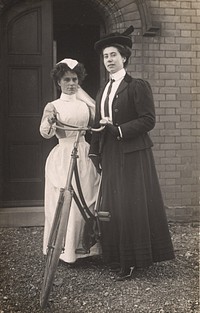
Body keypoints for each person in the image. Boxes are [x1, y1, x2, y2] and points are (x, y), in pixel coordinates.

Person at [89, 26, 175, 280]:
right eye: (106, 56)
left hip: (134, 153)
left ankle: (133, 260)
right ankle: (117, 257)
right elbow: (98, 121)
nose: (109, 60)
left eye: (114, 55)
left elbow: (148, 120)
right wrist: (95, 151)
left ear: (124, 57)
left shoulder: (137, 86)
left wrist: (117, 130)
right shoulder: (102, 90)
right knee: (114, 205)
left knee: (130, 206)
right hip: (112, 153)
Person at [40, 58, 101, 263]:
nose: (71, 83)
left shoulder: (86, 105)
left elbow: (96, 124)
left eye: (75, 79)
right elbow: (45, 133)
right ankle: (64, 249)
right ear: (59, 82)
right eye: (66, 79)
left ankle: (86, 247)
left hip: (83, 153)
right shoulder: (53, 106)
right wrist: (50, 121)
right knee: (65, 200)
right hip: (63, 156)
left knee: (86, 198)